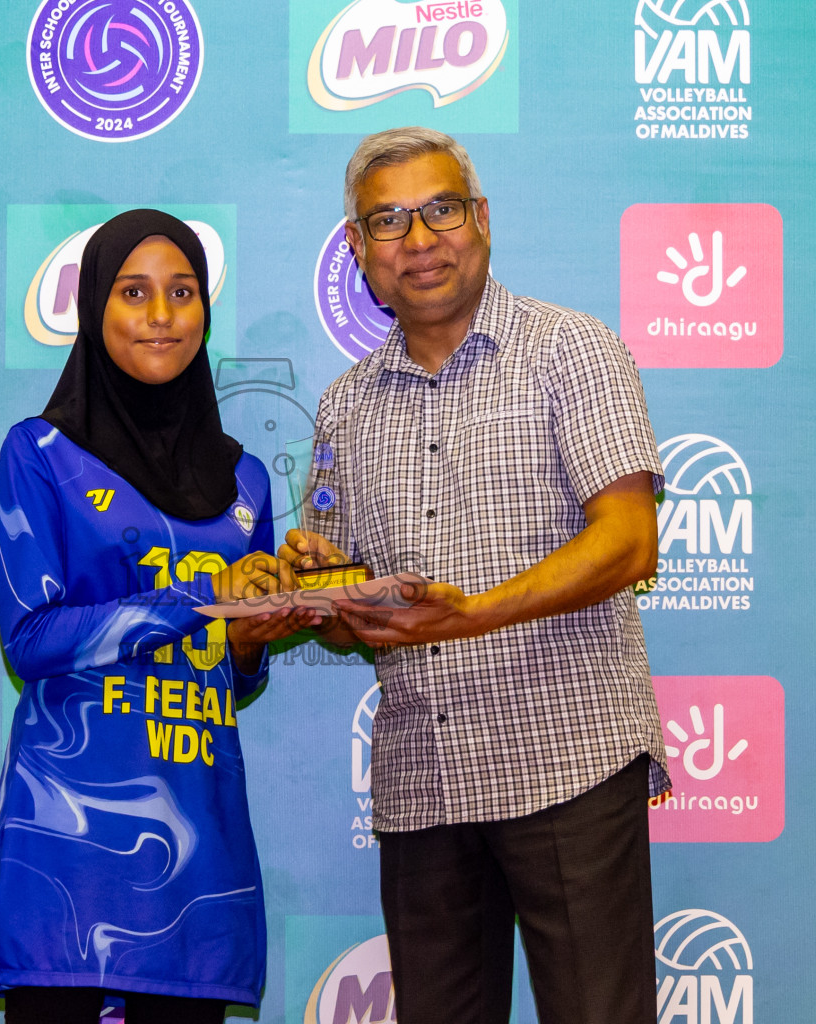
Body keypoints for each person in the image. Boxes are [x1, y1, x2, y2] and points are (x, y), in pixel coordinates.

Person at [280, 128, 670, 1024]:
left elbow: (629, 544)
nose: (418, 239)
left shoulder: (572, 350)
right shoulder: (343, 404)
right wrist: (321, 592)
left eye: (440, 209)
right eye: (388, 221)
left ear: (481, 221)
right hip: (422, 779)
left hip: (565, 759)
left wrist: (471, 615)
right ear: (358, 252)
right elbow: (354, 609)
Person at [0, 209, 309, 1024]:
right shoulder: (40, 452)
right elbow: (30, 639)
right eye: (134, 291)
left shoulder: (246, 482)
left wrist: (247, 634)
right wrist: (200, 601)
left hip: (198, 860)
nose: (162, 314)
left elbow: (234, 675)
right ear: (96, 307)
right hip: (71, 859)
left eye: (183, 292)